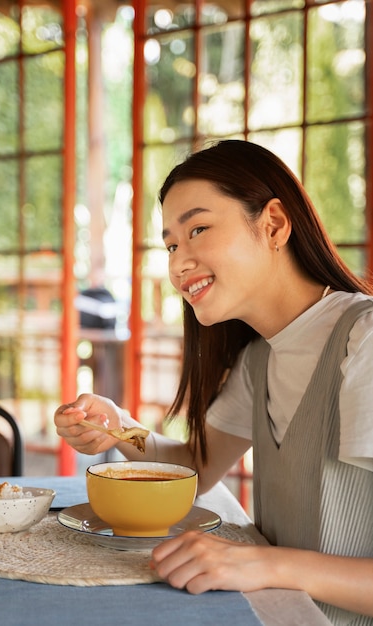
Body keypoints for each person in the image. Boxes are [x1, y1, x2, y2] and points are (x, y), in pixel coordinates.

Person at [54, 140, 373, 626]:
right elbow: (193, 467)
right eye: (171, 245)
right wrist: (119, 427)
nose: (178, 263)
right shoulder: (260, 359)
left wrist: (263, 563)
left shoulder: (363, 342)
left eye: (198, 229)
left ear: (274, 225)